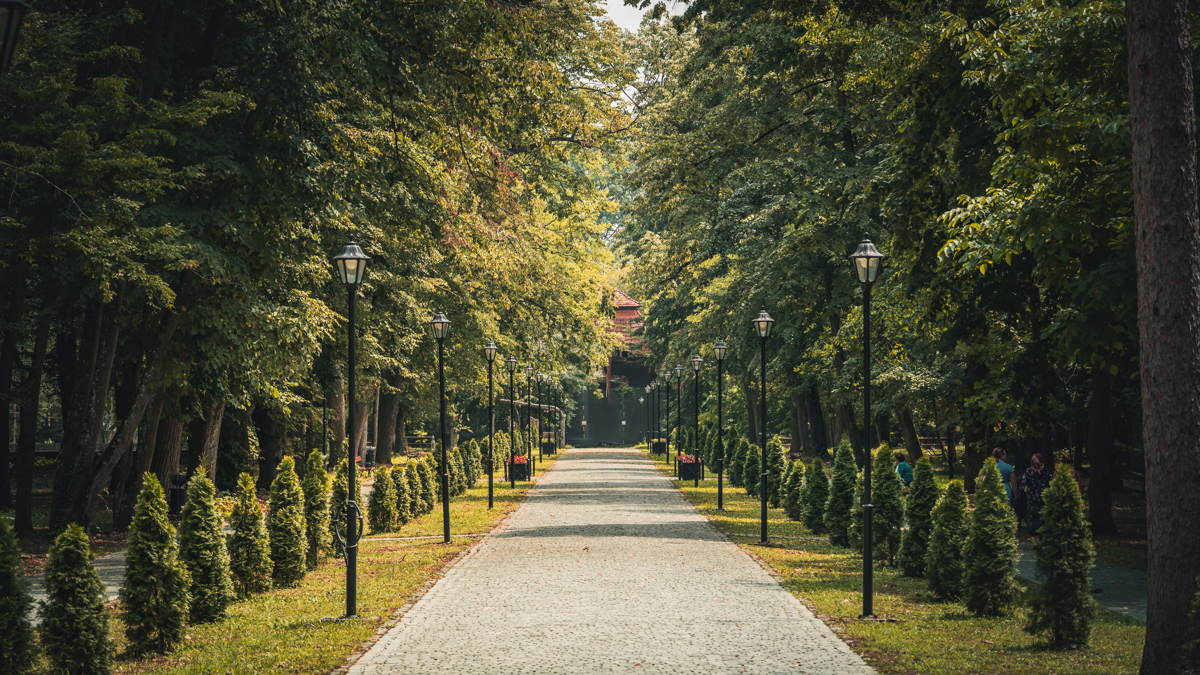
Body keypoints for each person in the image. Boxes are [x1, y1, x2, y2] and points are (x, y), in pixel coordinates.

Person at [1019, 453, 1054, 536]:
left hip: (1032, 501)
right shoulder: (1046, 471)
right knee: (1043, 524)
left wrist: (1018, 497)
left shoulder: (1028, 471)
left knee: (1033, 526)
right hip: (1044, 500)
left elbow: (1022, 486)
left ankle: (1035, 542)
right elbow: (1052, 483)